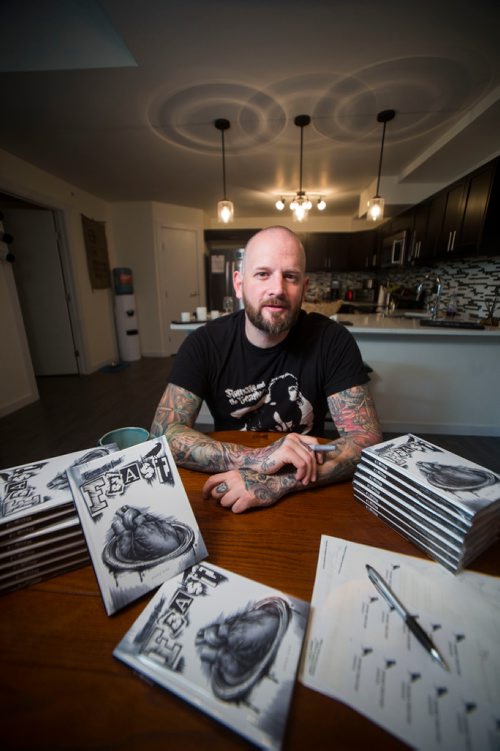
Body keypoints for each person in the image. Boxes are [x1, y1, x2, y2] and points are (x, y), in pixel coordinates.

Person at [151, 225, 382, 513]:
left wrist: (278, 482)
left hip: (306, 489)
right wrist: (260, 458)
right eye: (263, 274)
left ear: (305, 288)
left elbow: (366, 440)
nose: (277, 289)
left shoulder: (332, 341)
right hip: (231, 484)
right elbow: (163, 435)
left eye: (290, 276)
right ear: (239, 283)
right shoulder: (203, 344)